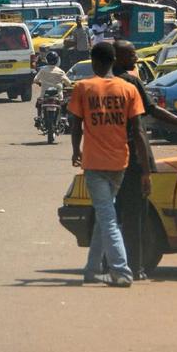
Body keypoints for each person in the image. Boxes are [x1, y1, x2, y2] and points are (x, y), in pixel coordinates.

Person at [112, 40, 177, 280]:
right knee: (136, 215)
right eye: (131, 54)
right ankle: (135, 266)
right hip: (132, 157)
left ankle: (110, 264)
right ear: (118, 57)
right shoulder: (130, 82)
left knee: (112, 216)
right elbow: (150, 114)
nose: (136, 58)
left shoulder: (99, 84)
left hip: (107, 158)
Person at [68, 42, 149, 287]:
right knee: (106, 214)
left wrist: (75, 149)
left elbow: (75, 125)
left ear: (93, 62)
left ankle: (121, 272)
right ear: (114, 61)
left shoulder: (83, 88)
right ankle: (93, 269)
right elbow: (139, 132)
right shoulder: (128, 88)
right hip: (120, 163)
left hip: (94, 164)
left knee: (108, 217)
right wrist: (145, 170)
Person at [34, 51, 72, 124]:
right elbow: (68, 83)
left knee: (39, 102)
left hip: (44, 95)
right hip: (58, 96)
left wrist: (39, 83)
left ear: (47, 60)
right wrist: (68, 85)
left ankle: (39, 117)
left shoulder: (43, 70)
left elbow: (35, 80)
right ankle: (63, 118)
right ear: (57, 60)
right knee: (64, 103)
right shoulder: (60, 71)